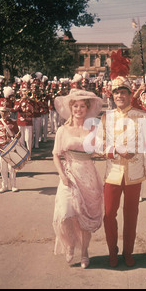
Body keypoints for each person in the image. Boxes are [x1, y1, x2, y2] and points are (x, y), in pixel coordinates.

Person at [96, 74, 146, 268]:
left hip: (135, 173)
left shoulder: (142, 116)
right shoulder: (107, 117)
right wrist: (112, 150)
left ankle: (128, 252)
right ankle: (112, 250)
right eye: (116, 93)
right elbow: (98, 144)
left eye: (123, 92)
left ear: (130, 95)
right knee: (108, 214)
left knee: (131, 214)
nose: (120, 96)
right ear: (112, 96)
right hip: (112, 174)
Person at [52, 89, 103, 267]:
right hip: (69, 174)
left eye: (82, 106)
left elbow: (101, 150)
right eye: (75, 106)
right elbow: (56, 155)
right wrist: (62, 175)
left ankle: (84, 252)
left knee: (84, 217)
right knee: (65, 213)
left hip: (88, 175)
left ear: (87, 109)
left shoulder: (94, 129)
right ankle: (69, 244)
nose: (79, 110)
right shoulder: (62, 130)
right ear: (70, 108)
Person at [0, 97, 20, 193]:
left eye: (6, 111)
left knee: (12, 168)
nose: (4, 113)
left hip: (11, 148)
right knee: (3, 168)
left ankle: (13, 185)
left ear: (9, 112)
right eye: (2, 111)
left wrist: (18, 135)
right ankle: (4, 186)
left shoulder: (13, 122)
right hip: (1, 149)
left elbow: (17, 134)